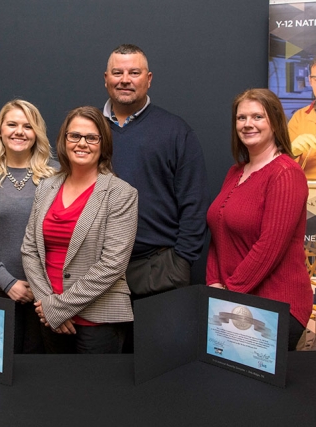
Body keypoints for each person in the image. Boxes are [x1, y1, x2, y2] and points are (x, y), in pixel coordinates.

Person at [21, 106, 138, 354]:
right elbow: (30, 250)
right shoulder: (46, 187)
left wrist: (62, 307)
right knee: (56, 390)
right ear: (64, 140)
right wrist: (48, 305)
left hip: (99, 319)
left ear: (103, 144)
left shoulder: (121, 193)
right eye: (74, 136)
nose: (81, 143)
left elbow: (113, 264)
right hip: (49, 316)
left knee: (96, 392)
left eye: (91, 137)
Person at [207, 88, 312, 351]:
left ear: (275, 122)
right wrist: (213, 284)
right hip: (233, 303)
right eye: (241, 118)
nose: (248, 124)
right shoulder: (235, 172)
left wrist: (229, 293)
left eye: (257, 117)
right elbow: (218, 233)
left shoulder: (286, 174)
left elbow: (269, 248)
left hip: (274, 305)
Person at [102, 44, 209, 298]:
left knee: (156, 339)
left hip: (158, 269)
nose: (125, 80)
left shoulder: (175, 131)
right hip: (96, 271)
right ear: (106, 79)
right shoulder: (88, 130)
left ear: (148, 80)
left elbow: (195, 201)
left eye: (134, 73)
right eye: (117, 73)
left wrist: (181, 260)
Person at [0, 99, 58, 353]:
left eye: (27, 126)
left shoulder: (56, 174)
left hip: (46, 292)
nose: (19, 131)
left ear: (37, 133)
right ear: (0, 131)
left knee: (39, 369)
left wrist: (41, 286)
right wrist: (7, 283)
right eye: (12, 124)